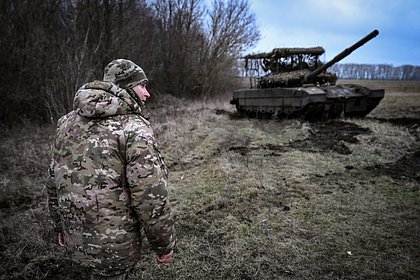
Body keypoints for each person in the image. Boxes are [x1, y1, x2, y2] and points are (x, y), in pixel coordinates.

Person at [46, 59, 176, 280]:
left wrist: (60, 226)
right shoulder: (134, 128)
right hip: (116, 249)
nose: (147, 93)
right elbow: (150, 197)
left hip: (76, 241)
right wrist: (163, 245)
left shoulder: (66, 123)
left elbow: (53, 180)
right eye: (142, 85)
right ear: (125, 87)